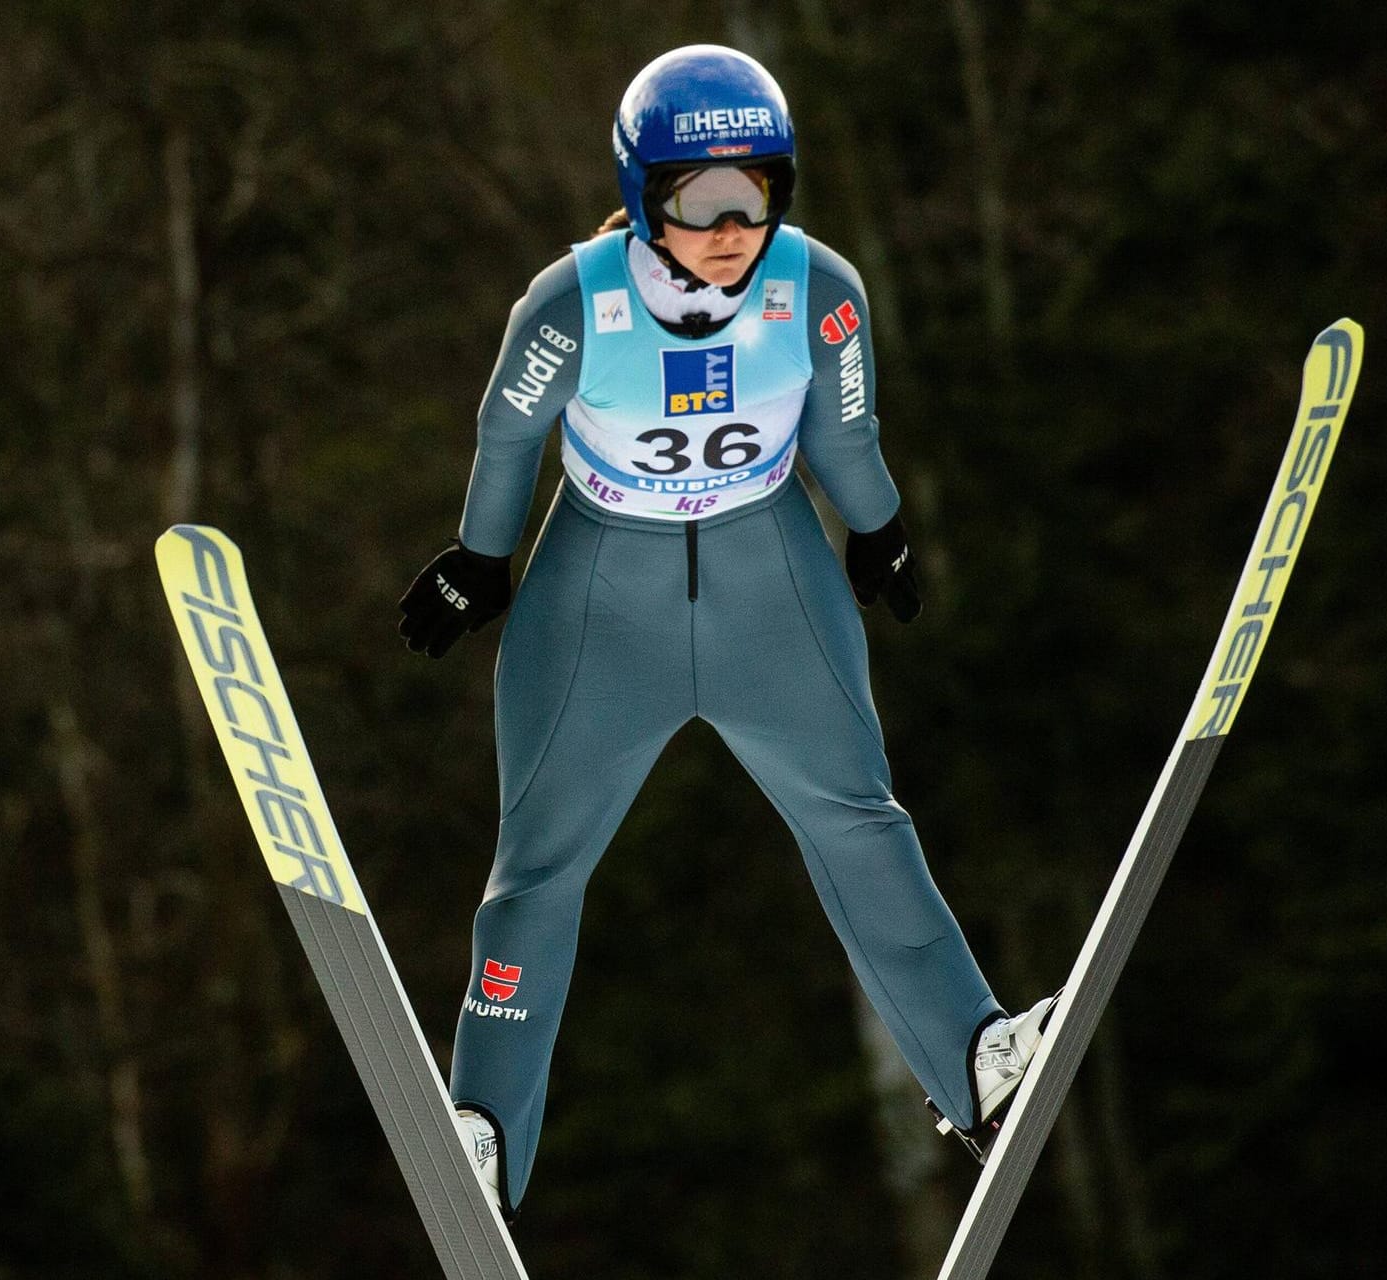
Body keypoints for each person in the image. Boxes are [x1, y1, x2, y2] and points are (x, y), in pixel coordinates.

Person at [397, 44, 1056, 1220]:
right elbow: (506, 440)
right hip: (602, 598)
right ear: (644, 194)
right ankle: (486, 1127)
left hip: (772, 580)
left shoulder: (821, 290)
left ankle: (978, 1062)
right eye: (698, 201)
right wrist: (479, 560)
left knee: (859, 817)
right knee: (538, 868)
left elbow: (845, 437)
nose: (729, 228)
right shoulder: (574, 300)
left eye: (756, 194)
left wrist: (880, 530)